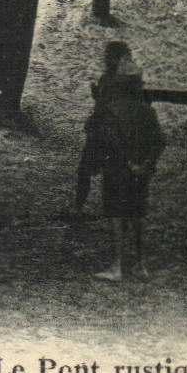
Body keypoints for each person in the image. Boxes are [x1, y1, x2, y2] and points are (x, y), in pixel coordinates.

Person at [76, 41, 164, 281]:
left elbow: (111, 141)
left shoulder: (112, 111)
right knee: (137, 214)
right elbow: (159, 141)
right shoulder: (147, 111)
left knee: (116, 213)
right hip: (141, 171)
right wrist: (144, 164)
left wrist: (125, 162)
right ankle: (140, 263)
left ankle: (116, 266)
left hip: (118, 168)